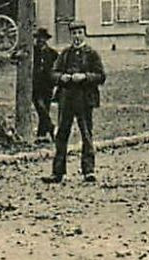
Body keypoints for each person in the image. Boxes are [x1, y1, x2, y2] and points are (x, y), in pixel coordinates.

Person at [43, 20, 106, 184]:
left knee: (86, 133)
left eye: (79, 33)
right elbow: (53, 74)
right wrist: (61, 78)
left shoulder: (91, 54)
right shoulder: (65, 54)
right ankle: (57, 172)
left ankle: (88, 170)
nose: (76, 36)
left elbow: (101, 76)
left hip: (85, 98)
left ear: (84, 34)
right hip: (66, 98)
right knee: (62, 134)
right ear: (70, 35)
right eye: (74, 33)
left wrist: (85, 77)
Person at [31, 26, 59, 145]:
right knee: (40, 107)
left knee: (45, 108)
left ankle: (41, 135)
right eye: (38, 38)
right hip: (35, 85)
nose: (40, 41)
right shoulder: (32, 52)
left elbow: (58, 67)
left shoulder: (53, 54)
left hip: (48, 86)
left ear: (46, 40)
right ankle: (51, 127)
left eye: (42, 39)